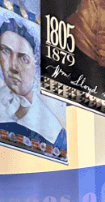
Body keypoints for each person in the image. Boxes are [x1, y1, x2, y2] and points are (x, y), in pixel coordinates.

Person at [0, 17, 66, 149]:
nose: (13, 66)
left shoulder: (54, 133)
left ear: (36, 66)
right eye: (6, 51)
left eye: (23, 58)